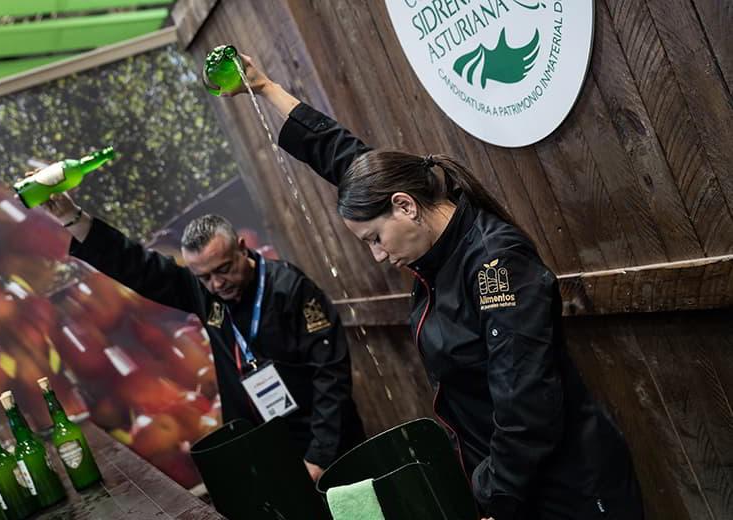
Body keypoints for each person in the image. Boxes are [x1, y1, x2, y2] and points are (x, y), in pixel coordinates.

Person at [219, 55, 644, 520]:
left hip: (566, 493)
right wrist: (264, 87)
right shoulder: (413, 211)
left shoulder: (494, 263)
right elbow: (344, 157)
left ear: (405, 206)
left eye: (375, 239)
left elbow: (526, 411)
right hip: (509, 484)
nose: (378, 254)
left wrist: (490, 498)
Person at [35, 192, 365, 482]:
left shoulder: (291, 289)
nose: (217, 285)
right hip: (266, 446)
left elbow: (330, 375)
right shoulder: (204, 292)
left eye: (223, 269)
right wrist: (72, 218)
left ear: (241, 248)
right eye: (204, 277)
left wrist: (320, 456)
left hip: (323, 442)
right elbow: (139, 266)